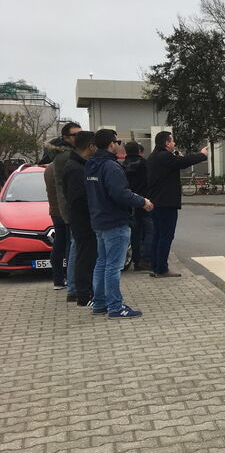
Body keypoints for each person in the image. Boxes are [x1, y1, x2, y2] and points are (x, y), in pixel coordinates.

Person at [85, 129, 153, 319]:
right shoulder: (111, 166)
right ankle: (115, 307)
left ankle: (99, 303)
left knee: (102, 263)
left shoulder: (91, 164)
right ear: (111, 144)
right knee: (113, 266)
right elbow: (120, 193)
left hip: (98, 220)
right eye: (117, 142)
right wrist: (142, 201)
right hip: (115, 221)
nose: (118, 145)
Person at [146, 132, 208, 278]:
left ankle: (155, 266)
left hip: (155, 201)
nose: (174, 143)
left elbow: (176, 164)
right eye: (172, 141)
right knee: (166, 235)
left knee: (157, 235)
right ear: (167, 143)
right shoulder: (165, 156)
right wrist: (202, 155)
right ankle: (161, 269)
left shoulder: (153, 157)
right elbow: (184, 162)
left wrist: (176, 159)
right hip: (166, 202)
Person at [40, 122, 80, 291]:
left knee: (61, 244)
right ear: (65, 138)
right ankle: (70, 283)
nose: (79, 138)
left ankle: (59, 280)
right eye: (75, 135)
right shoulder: (66, 160)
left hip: (57, 210)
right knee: (71, 246)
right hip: (65, 211)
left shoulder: (51, 166)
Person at [60, 131, 97, 306]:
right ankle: (84, 294)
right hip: (83, 220)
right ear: (90, 146)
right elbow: (77, 199)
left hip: (84, 219)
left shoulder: (80, 164)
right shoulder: (75, 168)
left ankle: (87, 291)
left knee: (87, 255)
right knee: (85, 256)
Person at [122, 141, 153, 270]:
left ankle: (137, 260)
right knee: (150, 230)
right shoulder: (145, 164)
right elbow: (151, 181)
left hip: (130, 202)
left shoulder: (122, 165)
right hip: (145, 201)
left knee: (135, 233)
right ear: (139, 150)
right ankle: (147, 259)